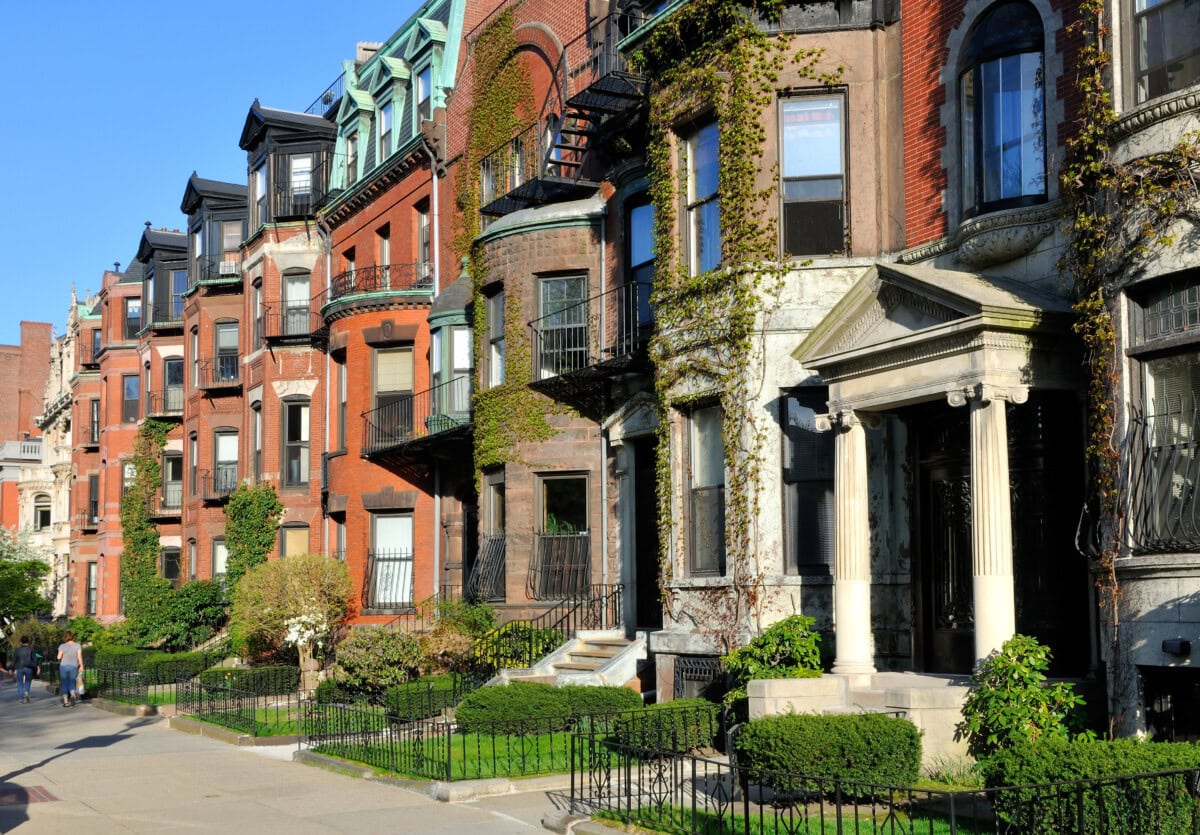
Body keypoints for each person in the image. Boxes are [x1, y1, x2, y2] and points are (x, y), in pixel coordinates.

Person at [57, 631, 83, 707]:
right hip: (74, 666)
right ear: (73, 637)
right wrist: (81, 666)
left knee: (64, 683)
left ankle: (66, 702)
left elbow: (58, 657)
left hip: (63, 666)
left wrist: (61, 659)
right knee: (72, 681)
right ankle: (72, 695)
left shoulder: (62, 646)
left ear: (65, 637)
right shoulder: (77, 645)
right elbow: (79, 657)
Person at [12, 636, 37, 704]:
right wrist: (36, 668)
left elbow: (14, 660)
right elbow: (35, 659)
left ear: (21, 641)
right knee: (27, 682)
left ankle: (20, 699)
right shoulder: (31, 649)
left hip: (19, 668)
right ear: (28, 641)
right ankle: (26, 693)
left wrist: (12, 669)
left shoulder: (17, 650)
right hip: (29, 668)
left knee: (20, 683)